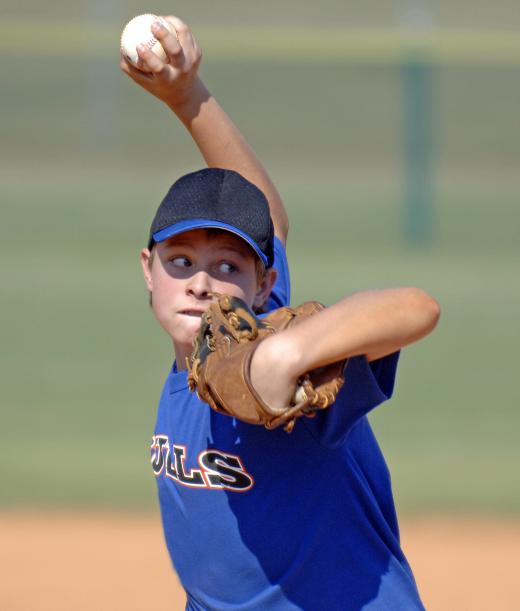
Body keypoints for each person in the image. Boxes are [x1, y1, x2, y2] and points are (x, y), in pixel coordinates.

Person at [121, 16, 440, 611]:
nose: (203, 285)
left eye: (227, 267)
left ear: (265, 284)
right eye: (182, 261)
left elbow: (417, 309)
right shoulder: (209, 347)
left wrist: (289, 354)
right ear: (148, 269)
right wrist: (187, 97)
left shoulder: (292, 377)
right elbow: (261, 212)